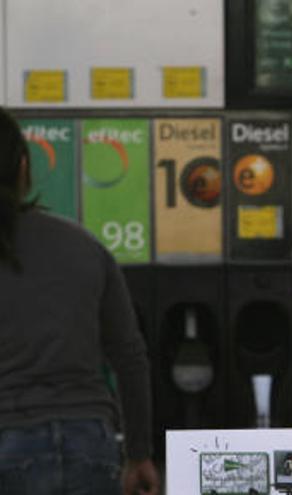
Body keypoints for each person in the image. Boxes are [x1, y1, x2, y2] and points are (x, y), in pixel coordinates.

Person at [0, 108, 159, 495]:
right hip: (89, 444)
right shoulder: (83, 245)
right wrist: (139, 454)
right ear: (24, 167)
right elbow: (130, 356)